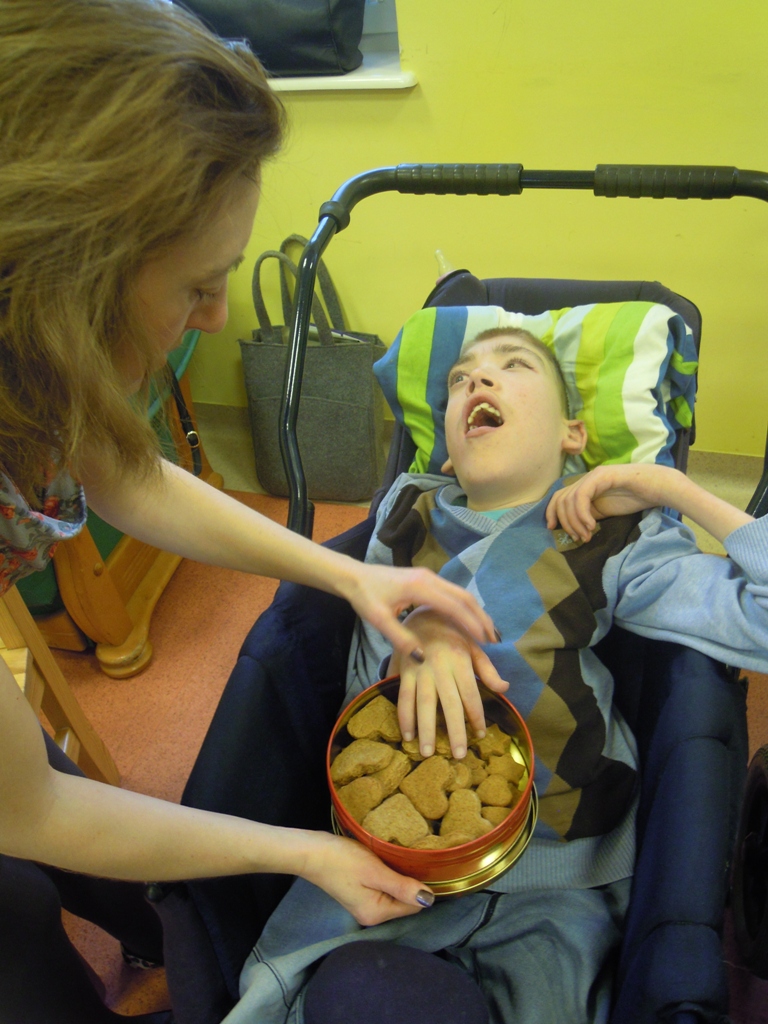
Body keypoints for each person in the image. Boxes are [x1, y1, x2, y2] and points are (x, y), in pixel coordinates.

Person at [0, 3, 498, 1022]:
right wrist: (305, 850)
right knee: (16, 918)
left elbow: (125, 472)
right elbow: (31, 810)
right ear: (65, 285)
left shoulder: (41, 367)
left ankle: (152, 926)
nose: (220, 316)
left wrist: (349, 571)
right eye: (199, 285)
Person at [230, 326, 768, 1024]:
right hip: (391, 862)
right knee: (296, 994)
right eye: (459, 378)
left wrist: (668, 487)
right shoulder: (406, 516)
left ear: (573, 435)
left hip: (560, 875)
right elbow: (360, 684)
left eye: (512, 367)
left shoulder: (610, 536)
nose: (477, 382)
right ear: (447, 451)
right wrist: (421, 634)